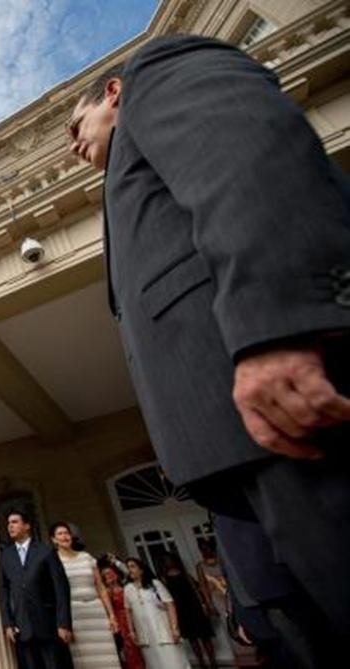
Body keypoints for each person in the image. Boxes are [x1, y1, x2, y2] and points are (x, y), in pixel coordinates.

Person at [67, 32, 350, 667]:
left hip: (281, 418)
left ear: (113, 92)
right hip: (226, 457)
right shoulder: (120, 177)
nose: (73, 144)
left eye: (75, 123)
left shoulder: (153, 73)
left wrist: (277, 330)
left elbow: (247, 153)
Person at [0, 510, 73, 669]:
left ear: (27, 526)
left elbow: (61, 587)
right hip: (22, 627)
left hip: (48, 624)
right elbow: (3, 591)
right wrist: (7, 623)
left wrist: (64, 623)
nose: (10, 526)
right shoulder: (5, 555)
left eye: (15, 522)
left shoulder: (45, 551)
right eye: (8, 523)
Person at [51, 522, 121, 669]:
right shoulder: (53, 562)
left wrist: (111, 615)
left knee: (107, 657)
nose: (64, 536)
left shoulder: (86, 557)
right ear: (54, 539)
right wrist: (61, 623)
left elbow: (101, 588)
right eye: (60, 534)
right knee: (84, 661)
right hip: (75, 615)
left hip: (96, 612)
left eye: (67, 533)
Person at [123, 558, 190, 669]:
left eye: (132, 566)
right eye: (128, 567)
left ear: (141, 569)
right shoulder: (127, 589)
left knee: (173, 662)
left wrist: (174, 628)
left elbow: (170, 604)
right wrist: (132, 631)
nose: (130, 570)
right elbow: (128, 611)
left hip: (163, 632)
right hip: (145, 635)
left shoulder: (154, 584)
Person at [159, 555, 217, 669]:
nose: (169, 562)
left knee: (205, 636)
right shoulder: (164, 578)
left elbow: (196, 590)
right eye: (166, 561)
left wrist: (203, 604)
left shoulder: (185, 574)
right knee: (192, 639)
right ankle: (201, 663)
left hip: (195, 607)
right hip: (181, 610)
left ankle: (213, 662)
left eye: (170, 560)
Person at [101, 564, 145, 669]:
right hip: (121, 622)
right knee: (129, 650)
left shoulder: (126, 586)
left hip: (134, 618)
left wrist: (116, 562)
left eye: (111, 572)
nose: (110, 575)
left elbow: (127, 572)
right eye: (106, 574)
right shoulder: (107, 591)